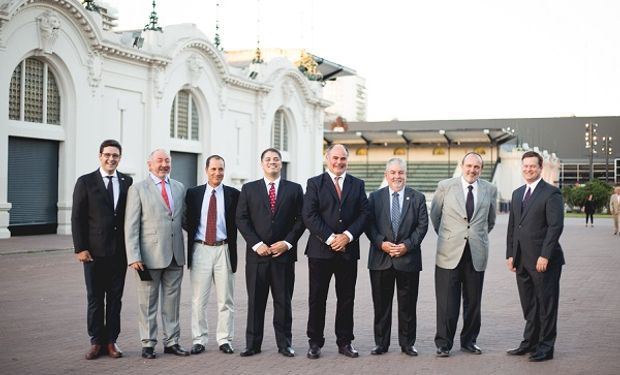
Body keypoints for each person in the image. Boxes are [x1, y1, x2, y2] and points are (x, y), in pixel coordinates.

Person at [236, 148, 305, 357]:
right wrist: (257, 244)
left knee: (283, 302)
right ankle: (253, 344)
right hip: (257, 256)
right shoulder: (249, 189)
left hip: (283, 256)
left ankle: (285, 344)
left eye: (276, 159)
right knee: (256, 302)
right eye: (268, 159)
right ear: (262, 163)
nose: (272, 162)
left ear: (281, 164)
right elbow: (241, 219)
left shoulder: (294, 189)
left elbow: (301, 220)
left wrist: (287, 243)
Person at [302, 144, 369, 359]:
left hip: (348, 251)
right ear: (327, 158)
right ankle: (315, 342)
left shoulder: (357, 184)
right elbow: (309, 215)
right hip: (320, 251)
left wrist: (347, 236)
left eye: (343, 159)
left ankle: (345, 341)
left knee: (346, 298)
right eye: (335, 158)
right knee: (317, 298)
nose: (339, 162)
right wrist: (331, 238)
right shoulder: (314, 183)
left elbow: (364, 213)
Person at [430, 152, 497, 358]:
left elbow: (490, 220)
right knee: (447, 302)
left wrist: (475, 237)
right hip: (449, 252)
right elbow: (435, 216)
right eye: (469, 166)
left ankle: (469, 341)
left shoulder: (490, 189)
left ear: (481, 169)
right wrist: (451, 237)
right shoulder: (445, 186)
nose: (472, 170)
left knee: (473, 301)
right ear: (462, 166)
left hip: (476, 253)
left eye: (476, 167)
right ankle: (443, 343)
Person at [72, 139, 133, 360]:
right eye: (107, 155)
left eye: (115, 155)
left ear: (120, 158)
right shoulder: (86, 181)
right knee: (95, 298)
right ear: (100, 156)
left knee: (115, 299)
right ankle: (96, 342)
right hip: (94, 254)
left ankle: (111, 341)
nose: (111, 159)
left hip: (119, 253)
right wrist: (81, 248)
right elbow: (77, 217)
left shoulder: (127, 182)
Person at [125, 149, 189, 359]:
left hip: (175, 255)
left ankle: (172, 342)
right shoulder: (138, 189)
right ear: (149, 164)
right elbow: (131, 226)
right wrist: (134, 256)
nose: (164, 164)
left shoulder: (179, 187)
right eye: (159, 160)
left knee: (172, 303)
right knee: (147, 302)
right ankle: (148, 343)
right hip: (148, 257)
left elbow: (183, 220)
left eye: (167, 161)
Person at [365, 158, 428, 356]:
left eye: (400, 172)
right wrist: (381, 243)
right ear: (386, 175)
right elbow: (369, 225)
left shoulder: (417, 198)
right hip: (380, 260)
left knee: (408, 306)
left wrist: (406, 246)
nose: (397, 176)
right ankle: (381, 344)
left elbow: (422, 226)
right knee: (381, 305)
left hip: (407, 260)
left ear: (405, 175)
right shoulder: (374, 197)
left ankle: (407, 343)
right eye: (393, 172)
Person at [506, 150, 565, 362]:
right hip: (521, 260)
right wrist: (511, 255)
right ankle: (529, 341)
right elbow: (513, 227)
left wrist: (545, 255)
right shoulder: (517, 193)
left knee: (546, 305)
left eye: (533, 166)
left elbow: (555, 226)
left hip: (543, 261)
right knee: (529, 304)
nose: (528, 169)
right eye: (525, 166)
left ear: (540, 168)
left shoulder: (551, 193)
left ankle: (546, 347)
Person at [184, 155, 239, 355]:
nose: (217, 173)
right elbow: (185, 219)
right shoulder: (193, 194)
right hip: (200, 249)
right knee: (199, 299)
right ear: (206, 170)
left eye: (221, 169)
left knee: (226, 299)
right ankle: (199, 339)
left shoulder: (234, 194)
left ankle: (224, 339)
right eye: (214, 169)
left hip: (224, 249)